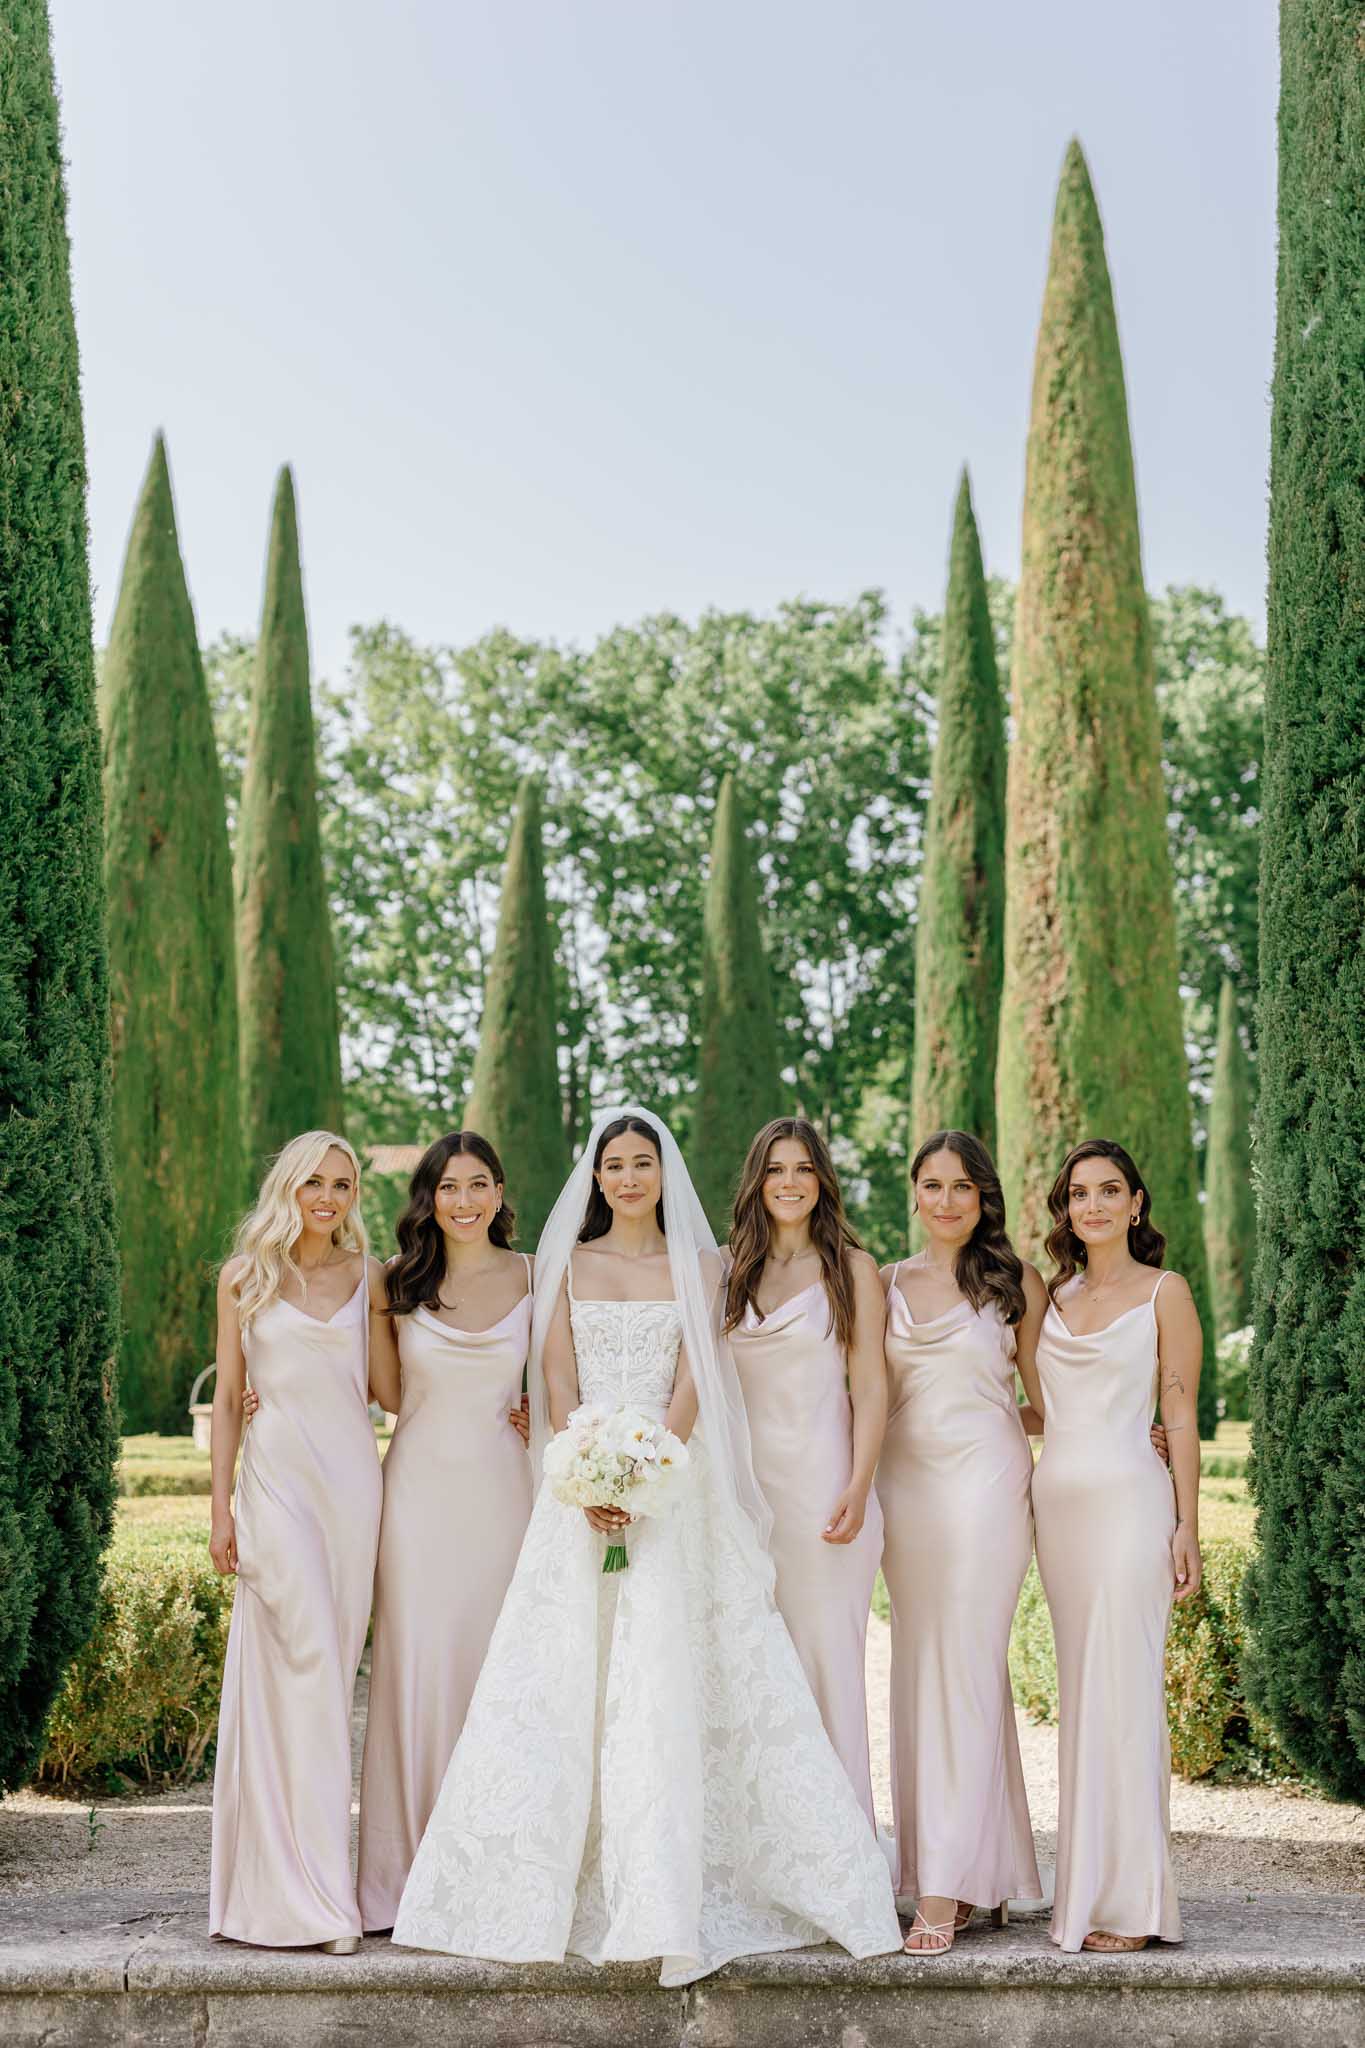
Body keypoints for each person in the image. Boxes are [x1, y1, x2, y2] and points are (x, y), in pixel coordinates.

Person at [391, 1107, 902, 1986]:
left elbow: (699, 1373)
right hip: (578, 1489)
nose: (627, 1178)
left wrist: (649, 1467)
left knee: (672, 1671)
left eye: (642, 1164)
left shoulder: (704, 1266)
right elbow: (552, 1374)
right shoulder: (565, 1264)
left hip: (673, 1485)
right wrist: (587, 1470)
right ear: (594, 1178)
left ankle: (676, 1887)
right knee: (567, 1676)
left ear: (665, 1174)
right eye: (612, 1165)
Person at [208, 1131, 385, 1953]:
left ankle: (308, 1887)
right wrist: (221, 1510)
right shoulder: (242, 1278)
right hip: (274, 1485)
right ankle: (311, 1902)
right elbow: (230, 1401)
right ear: (287, 1186)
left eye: (342, 1185)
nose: (326, 1197)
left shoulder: (369, 1278)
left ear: (354, 1197)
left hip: (351, 1486)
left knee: (327, 1669)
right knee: (306, 1661)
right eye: (313, 1181)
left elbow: (392, 1390)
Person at [355, 1131, 533, 1930]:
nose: (464, 1200)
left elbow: (565, 1372)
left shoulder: (536, 1274)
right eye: (449, 1187)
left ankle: (493, 1877)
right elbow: (381, 1393)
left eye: (479, 1184)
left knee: (501, 1671)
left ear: (499, 1194)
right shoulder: (396, 1283)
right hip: (419, 1498)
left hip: (506, 1497)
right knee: (413, 1674)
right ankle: (402, 1884)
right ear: (427, 1198)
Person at [1028, 1138, 1202, 1954]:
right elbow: (1040, 1411)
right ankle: (1085, 1891)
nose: (1091, 1205)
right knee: (1081, 1699)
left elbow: (1180, 1411)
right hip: (1056, 1514)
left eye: (1108, 1191)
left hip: (1132, 1507)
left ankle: (1132, 1904)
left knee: (1125, 1692)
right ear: (1064, 1209)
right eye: (1077, 1194)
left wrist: (1186, 1524)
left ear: (1136, 1203)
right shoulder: (1049, 1298)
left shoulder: (1165, 1292)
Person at [878, 1130, 1045, 1954]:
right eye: (931, 1184)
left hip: (985, 1484)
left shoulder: (1015, 1287)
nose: (946, 1200)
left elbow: (1051, 1402)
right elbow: (840, 1391)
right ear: (913, 1192)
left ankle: (941, 1892)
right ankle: (988, 1871)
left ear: (983, 1198)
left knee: (968, 1667)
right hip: (903, 1490)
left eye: (961, 1187)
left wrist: (1143, 1433)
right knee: (920, 1671)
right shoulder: (880, 1284)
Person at [724, 1117, 886, 1826]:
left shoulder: (852, 1269)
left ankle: (839, 1847)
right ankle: (768, 1852)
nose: (788, 1183)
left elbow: (872, 1387)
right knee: (755, 1673)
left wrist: (857, 1486)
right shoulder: (729, 1269)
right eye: (774, 1169)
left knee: (824, 1665)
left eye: (802, 1169)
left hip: (825, 1491)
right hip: (741, 1497)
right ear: (756, 1182)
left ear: (821, 1180)